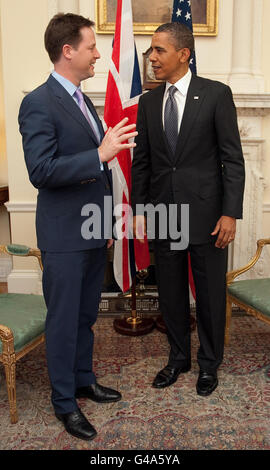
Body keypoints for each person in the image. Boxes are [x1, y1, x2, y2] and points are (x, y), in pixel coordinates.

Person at [19, 13, 137, 441]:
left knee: (87, 316)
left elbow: (99, 175)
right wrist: (100, 154)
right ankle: (64, 403)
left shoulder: (83, 100)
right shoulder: (37, 102)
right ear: (67, 50)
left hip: (91, 230)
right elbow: (41, 170)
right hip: (64, 236)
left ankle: (84, 378)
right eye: (91, 47)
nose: (97, 55)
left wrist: (105, 221)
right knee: (64, 319)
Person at [131, 22, 245, 396]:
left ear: (184, 54)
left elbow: (233, 159)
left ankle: (209, 364)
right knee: (171, 293)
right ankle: (178, 358)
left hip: (209, 218)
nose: (152, 57)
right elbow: (143, 162)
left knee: (211, 294)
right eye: (150, 50)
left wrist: (230, 212)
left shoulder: (215, 95)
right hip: (165, 217)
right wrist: (141, 210)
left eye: (159, 50)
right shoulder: (148, 102)